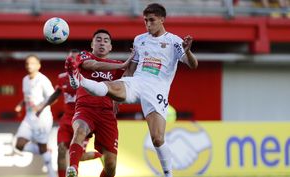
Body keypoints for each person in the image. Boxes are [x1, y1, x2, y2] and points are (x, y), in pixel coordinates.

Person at [65, 3, 198, 177]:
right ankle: (79, 79)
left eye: (152, 20)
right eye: (145, 21)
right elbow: (131, 70)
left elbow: (193, 65)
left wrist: (187, 52)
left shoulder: (175, 42)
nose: (148, 24)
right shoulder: (139, 40)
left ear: (162, 20)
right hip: (137, 81)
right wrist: (118, 93)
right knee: (106, 87)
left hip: (157, 90)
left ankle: (168, 174)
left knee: (157, 139)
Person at [64, 29, 133, 177]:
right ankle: (73, 169)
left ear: (110, 47)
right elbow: (92, 65)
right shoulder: (85, 56)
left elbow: (126, 81)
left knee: (110, 165)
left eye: (106, 40)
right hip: (85, 108)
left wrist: (135, 59)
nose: (102, 43)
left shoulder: (116, 65)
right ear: (92, 44)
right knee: (80, 130)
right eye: (98, 39)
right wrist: (122, 66)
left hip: (106, 114)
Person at [36, 50, 103, 177]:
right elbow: (56, 94)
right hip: (66, 120)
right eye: (69, 58)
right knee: (61, 150)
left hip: (82, 121)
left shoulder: (87, 77)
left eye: (74, 59)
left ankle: (100, 155)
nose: (71, 61)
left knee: (80, 156)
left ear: (80, 61)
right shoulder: (62, 77)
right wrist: (42, 107)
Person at [14, 55, 56, 177]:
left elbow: (53, 97)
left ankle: (51, 174)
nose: (29, 65)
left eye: (32, 63)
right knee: (19, 145)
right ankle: (46, 151)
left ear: (39, 66)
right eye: (27, 63)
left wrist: (41, 106)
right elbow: (28, 97)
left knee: (42, 147)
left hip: (42, 119)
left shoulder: (43, 80)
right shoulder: (25, 80)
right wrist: (20, 105)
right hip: (28, 118)